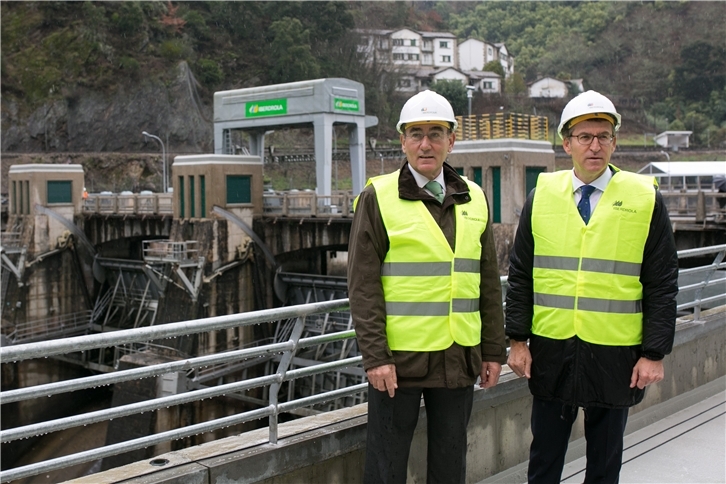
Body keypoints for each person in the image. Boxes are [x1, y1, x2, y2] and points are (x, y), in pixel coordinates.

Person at [506, 90, 679, 484]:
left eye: (604, 135)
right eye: (584, 136)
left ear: (615, 142)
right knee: (545, 458)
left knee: (605, 462)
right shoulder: (542, 196)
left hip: (616, 352)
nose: (595, 145)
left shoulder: (644, 198)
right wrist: (516, 340)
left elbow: (663, 282)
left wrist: (653, 353)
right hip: (552, 349)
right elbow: (520, 274)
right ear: (567, 143)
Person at [348, 90, 507, 484]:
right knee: (386, 466)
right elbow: (363, 285)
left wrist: (493, 351)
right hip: (397, 362)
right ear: (402, 140)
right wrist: (375, 357)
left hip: (458, 357)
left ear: (451, 141)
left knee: (450, 465)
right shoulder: (378, 197)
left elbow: (487, 281)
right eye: (416, 133)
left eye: (436, 132)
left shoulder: (476, 198)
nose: (425, 143)